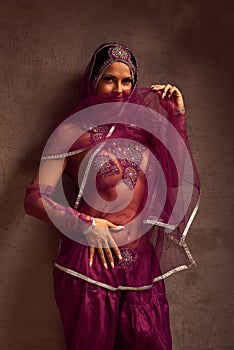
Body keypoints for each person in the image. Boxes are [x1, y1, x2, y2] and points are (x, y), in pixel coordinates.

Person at [24, 43, 200, 350]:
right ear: (92, 81)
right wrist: (84, 225)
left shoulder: (147, 130)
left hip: (141, 270)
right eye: (109, 79)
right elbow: (35, 199)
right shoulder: (71, 131)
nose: (119, 89)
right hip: (89, 267)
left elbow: (177, 180)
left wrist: (176, 117)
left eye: (127, 80)